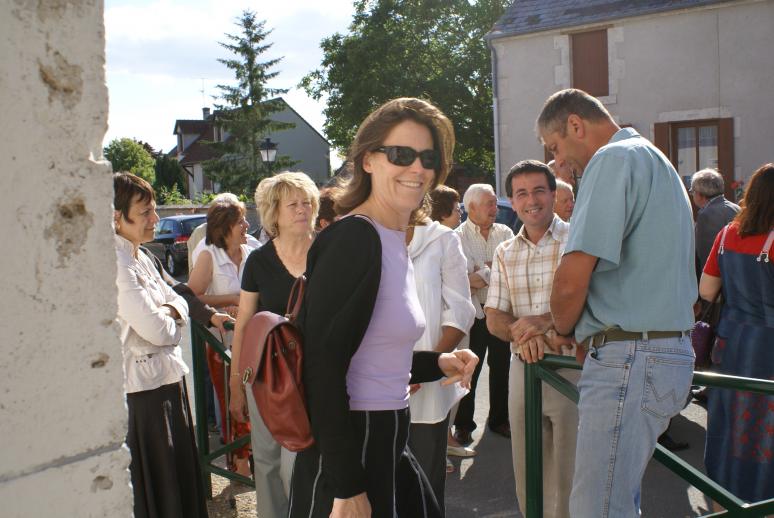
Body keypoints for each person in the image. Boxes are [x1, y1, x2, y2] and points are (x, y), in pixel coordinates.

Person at [287, 97, 479, 518]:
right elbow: (322, 367)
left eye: (428, 158)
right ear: (368, 160)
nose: (418, 168)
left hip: (387, 439)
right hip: (354, 451)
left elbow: (373, 354)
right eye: (401, 154)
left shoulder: (392, 238)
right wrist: (347, 486)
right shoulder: (354, 239)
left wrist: (439, 362)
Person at [540, 89, 696, 518]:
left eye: (555, 147)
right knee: (617, 502)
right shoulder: (655, 159)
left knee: (598, 508)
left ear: (576, 125)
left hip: (631, 356)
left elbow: (571, 282)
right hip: (660, 352)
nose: (557, 163)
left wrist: (561, 328)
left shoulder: (613, 159)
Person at [485, 160, 579, 518]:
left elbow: (596, 303)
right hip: (523, 368)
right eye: (521, 193)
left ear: (553, 194)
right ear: (512, 199)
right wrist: (522, 335)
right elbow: (494, 316)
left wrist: (543, 323)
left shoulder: (579, 240)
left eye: (539, 190)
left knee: (572, 469)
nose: (531, 200)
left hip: (572, 365)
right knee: (528, 466)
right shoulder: (505, 252)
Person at [113, 172, 208, 518]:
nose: (155, 219)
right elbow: (160, 331)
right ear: (116, 217)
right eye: (145, 212)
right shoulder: (116, 263)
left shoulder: (143, 257)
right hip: (142, 396)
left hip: (167, 383)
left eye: (154, 210)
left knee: (178, 483)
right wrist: (171, 315)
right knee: (159, 491)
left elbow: (176, 298)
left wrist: (172, 310)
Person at [227, 172, 320, 518]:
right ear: (274, 213)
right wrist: (237, 383)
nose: (302, 209)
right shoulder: (259, 260)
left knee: (300, 462)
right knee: (266, 460)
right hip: (266, 375)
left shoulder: (328, 251)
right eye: (292, 204)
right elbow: (245, 325)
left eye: (306, 201)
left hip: (316, 375)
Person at [699, 163, 773, 508]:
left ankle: (721, 501)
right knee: (764, 434)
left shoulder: (728, 234)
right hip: (768, 350)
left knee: (727, 425)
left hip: (730, 346)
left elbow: (707, 289)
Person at [407, 187, 476, 512]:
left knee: (424, 484)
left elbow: (460, 308)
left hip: (428, 384)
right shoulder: (370, 236)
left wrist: (427, 365)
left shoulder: (443, 239)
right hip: (375, 385)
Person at [188, 196, 255, 477]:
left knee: (256, 399)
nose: (247, 225)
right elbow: (191, 296)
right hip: (222, 342)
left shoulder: (253, 250)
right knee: (231, 403)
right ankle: (238, 464)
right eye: (241, 221)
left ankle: (254, 458)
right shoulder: (208, 255)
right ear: (225, 226)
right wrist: (231, 298)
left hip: (254, 339)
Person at [453, 183, 514, 444]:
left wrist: (481, 271)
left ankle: (499, 420)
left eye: (494, 203)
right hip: (475, 315)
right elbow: (462, 281)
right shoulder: (457, 237)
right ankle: (463, 424)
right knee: (469, 371)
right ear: (472, 207)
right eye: (489, 203)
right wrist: (491, 271)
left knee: (501, 369)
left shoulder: (506, 232)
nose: (495, 208)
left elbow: (511, 270)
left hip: (500, 312)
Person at [690, 168, 741, 270]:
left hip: (719, 278)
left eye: (693, 192)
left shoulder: (706, 215)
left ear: (700, 194)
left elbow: (706, 257)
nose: (692, 195)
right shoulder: (736, 208)